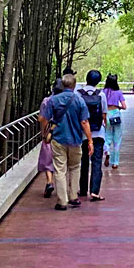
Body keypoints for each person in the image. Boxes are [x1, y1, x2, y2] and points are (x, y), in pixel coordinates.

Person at [40, 73, 92, 210]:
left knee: (60, 170)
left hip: (58, 139)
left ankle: (62, 201)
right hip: (75, 139)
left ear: (63, 85)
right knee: (75, 168)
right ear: (74, 85)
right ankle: (73, 197)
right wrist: (90, 141)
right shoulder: (80, 100)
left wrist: (44, 133)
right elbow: (84, 122)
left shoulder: (54, 100)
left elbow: (44, 118)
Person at [76, 69, 107, 201]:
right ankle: (94, 191)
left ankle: (83, 190)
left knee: (83, 162)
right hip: (98, 134)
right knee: (96, 162)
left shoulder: (78, 94)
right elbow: (104, 115)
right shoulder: (101, 95)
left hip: (82, 134)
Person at [36, 78, 63, 198]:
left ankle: (49, 182)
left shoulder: (47, 101)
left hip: (49, 132)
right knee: (60, 159)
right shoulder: (67, 100)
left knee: (47, 158)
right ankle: (61, 184)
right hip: (63, 132)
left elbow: (42, 119)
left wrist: (44, 132)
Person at [103, 73, 126, 169]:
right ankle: (115, 162)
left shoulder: (103, 91)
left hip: (107, 115)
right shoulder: (119, 92)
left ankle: (107, 151)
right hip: (116, 115)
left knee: (107, 137)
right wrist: (118, 106)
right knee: (117, 140)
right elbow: (124, 106)